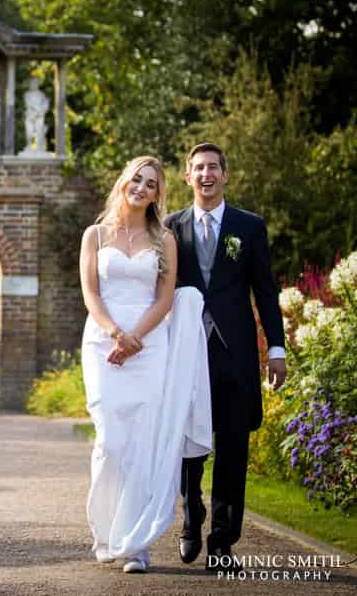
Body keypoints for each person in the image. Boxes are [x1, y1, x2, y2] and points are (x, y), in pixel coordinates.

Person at [79, 156, 213, 574]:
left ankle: (135, 543)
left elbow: (165, 296)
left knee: (143, 443)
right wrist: (117, 335)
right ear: (123, 182)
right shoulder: (95, 235)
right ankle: (104, 532)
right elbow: (91, 293)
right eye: (136, 179)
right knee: (110, 444)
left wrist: (136, 338)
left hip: (150, 346)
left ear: (158, 194)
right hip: (103, 343)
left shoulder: (164, 239)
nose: (141, 187)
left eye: (151, 183)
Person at [165, 142, 287, 570]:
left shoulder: (249, 227)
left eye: (213, 167)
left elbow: (266, 292)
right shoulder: (170, 227)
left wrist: (276, 348)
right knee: (187, 445)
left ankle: (222, 540)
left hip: (234, 354)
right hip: (186, 353)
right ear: (187, 176)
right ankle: (190, 519)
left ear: (225, 175)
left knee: (234, 447)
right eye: (198, 168)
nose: (206, 174)